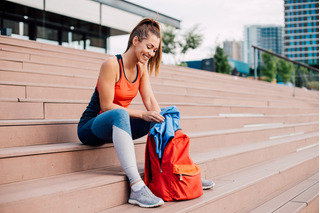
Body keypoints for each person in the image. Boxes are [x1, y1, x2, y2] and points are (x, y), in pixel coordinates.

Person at [77, 18, 214, 208]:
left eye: (154, 50)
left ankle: (180, 171)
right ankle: (136, 186)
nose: (151, 53)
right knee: (120, 114)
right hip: (91, 127)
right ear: (135, 41)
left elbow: (150, 101)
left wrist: (162, 120)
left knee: (168, 113)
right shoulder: (111, 64)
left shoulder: (141, 69)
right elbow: (107, 106)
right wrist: (142, 115)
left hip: (117, 128)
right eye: (149, 47)